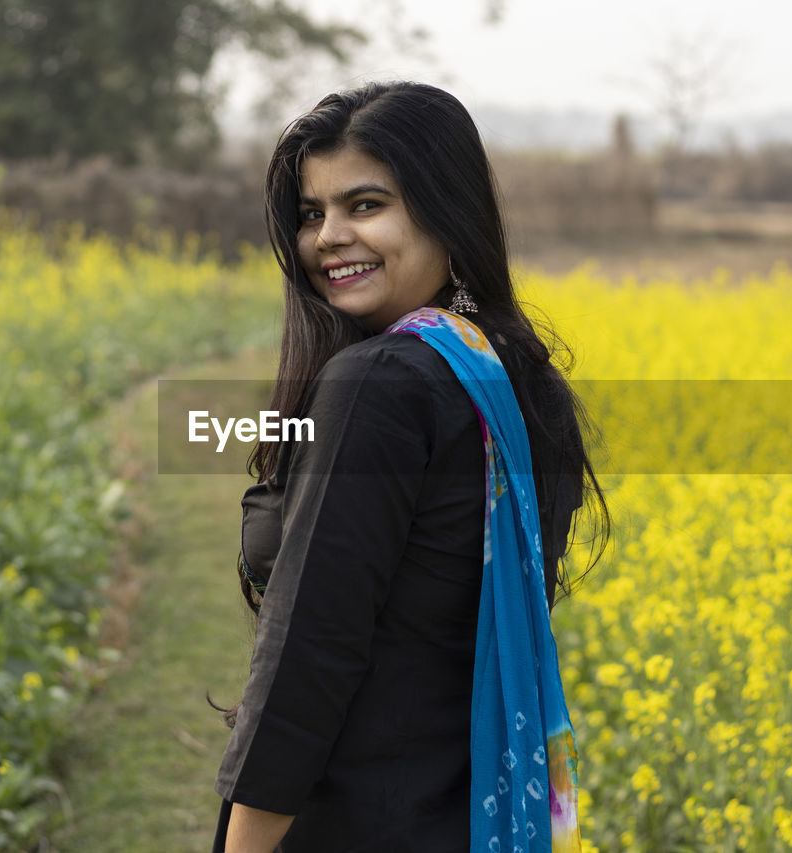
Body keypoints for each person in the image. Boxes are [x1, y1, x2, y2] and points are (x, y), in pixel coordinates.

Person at [211, 81, 608, 853]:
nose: (328, 236)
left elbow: (307, 658)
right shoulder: (515, 376)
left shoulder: (380, 385)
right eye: (311, 212)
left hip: (358, 820)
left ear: (446, 212)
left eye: (365, 206)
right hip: (469, 816)